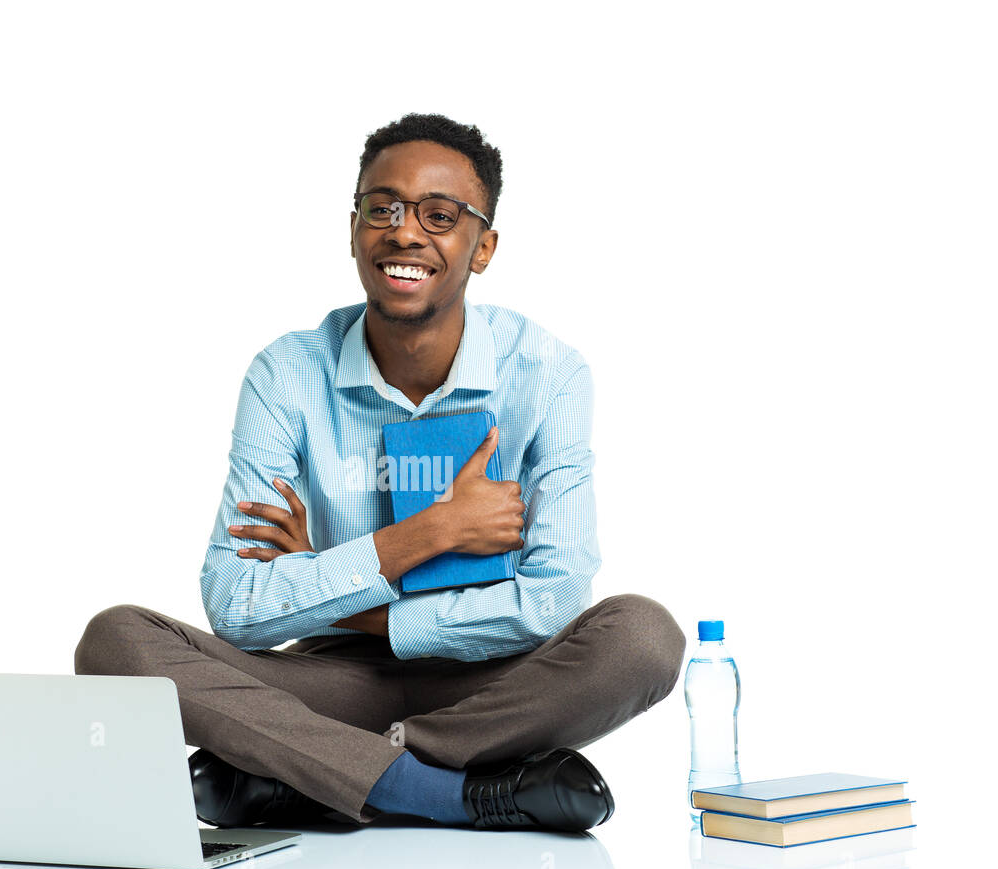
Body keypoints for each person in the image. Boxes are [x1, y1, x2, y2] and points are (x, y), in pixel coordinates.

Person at [75, 113, 685, 832]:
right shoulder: (287, 373)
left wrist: (338, 591)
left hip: (501, 686)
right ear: (354, 229)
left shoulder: (548, 373)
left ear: (482, 247)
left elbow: (551, 602)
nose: (404, 232)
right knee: (114, 642)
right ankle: (443, 790)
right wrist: (427, 533)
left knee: (644, 638)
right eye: (382, 208)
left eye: (439, 215)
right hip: (335, 679)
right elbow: (236, 607)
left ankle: (319, 772)